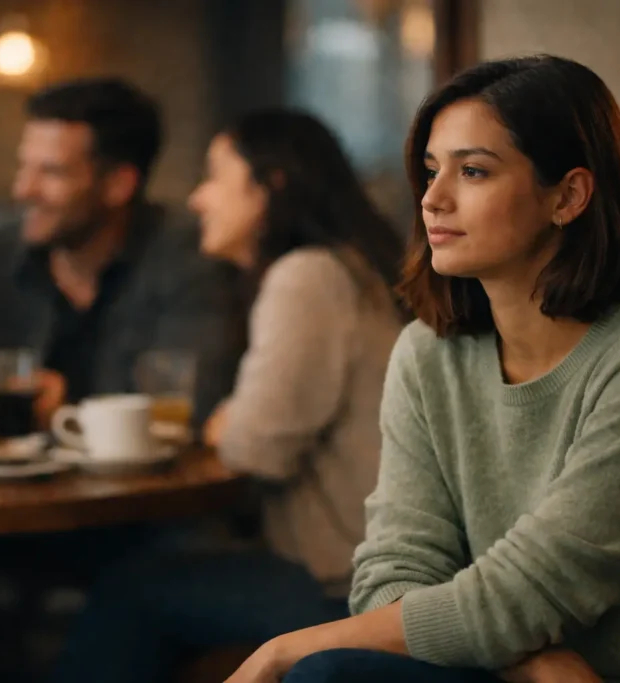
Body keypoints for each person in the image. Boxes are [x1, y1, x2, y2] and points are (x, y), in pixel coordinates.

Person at [225, 55, 620, 683]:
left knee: (322, 672)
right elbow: (388, 575)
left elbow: (534, 590)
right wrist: (535, 660)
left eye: (473, 171)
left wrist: (284, 648)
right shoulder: (427, 354)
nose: (433, 199)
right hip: (536, 671)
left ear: (567, 196)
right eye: (430, 171)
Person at [50, 110, 406, 683]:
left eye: (215, 176)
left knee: (131, 592)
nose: (197, 198)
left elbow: (254, 448)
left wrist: (228, 424)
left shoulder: (307, 278)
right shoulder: (352, 268)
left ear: (273, 185)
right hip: (374, 576)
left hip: (350, 588)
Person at [0, 78, 246, 429]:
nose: (23, 190)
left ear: (119, 185)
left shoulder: (189, 264)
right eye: (24, 167)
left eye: (51, 172)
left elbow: (191, 405)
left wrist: (71, 409)